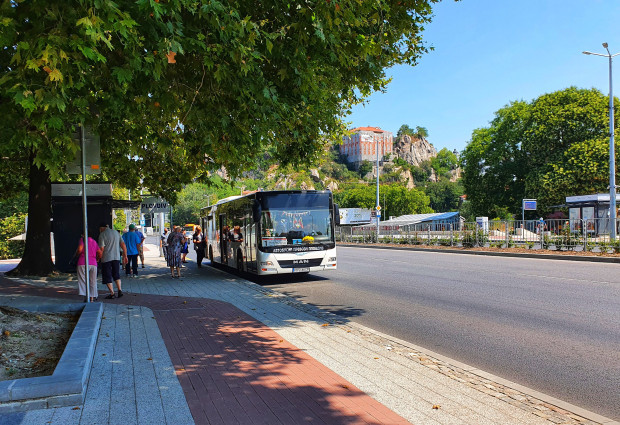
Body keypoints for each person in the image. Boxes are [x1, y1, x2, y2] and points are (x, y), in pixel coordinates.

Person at [98, 222, 128, 299]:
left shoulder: (102, 234)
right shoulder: (116, 233)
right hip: (116, 257)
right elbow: (123, 245)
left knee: (107, 276)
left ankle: (112, 293)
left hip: (106, 258)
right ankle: (120, 290)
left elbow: (101, 248)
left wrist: (98, 258)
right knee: (116, 274)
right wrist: (125, 256)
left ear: (101, 228)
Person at [74, 231, 102, 302]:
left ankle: (86, 297)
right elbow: (100, 252)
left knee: (83, 280)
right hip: (93, 263)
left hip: (82, 262)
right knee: (93, 281)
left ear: (84, 234)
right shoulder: (94, 242)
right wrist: (97, 259)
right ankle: (92, 298)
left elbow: (80, 249)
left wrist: (76, 255)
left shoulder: (82, 240)